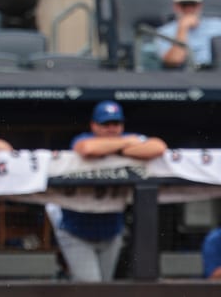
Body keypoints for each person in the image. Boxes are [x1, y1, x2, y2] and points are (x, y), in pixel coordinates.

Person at [53, 100, 167, 282]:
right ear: (94, 125)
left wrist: (117, 149)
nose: (111, 128)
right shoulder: (84, 138)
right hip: (76, 230)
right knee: (90, 285)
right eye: (105, 124)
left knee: (105, 286)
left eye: (116, 123)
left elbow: (158, 147)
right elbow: (88, 149)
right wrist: (127, 145)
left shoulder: (128, 138)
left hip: (111, 232)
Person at [155, 0, 221, 69]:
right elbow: (174, 61)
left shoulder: (218, 25)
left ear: (200, 5)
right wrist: (182, 28)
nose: (189, 9)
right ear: (176, 6)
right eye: (184, 5)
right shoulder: (163, 32)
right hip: (185, 77)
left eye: (193, 4)